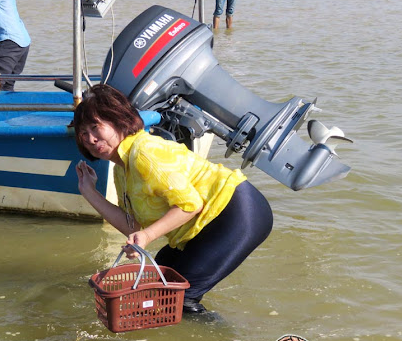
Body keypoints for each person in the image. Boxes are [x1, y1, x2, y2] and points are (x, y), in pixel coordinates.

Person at [74, 84, 273, 314]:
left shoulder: (145, 153)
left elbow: (190, 205)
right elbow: (132, 225)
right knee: (153, 290)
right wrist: (89, 192)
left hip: (234, 212)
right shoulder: (122, 168)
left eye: (95, 127)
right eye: (83, 133)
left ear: (118, 119)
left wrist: (148, 236)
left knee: (179, 301)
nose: (90, 138)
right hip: (200, 226)